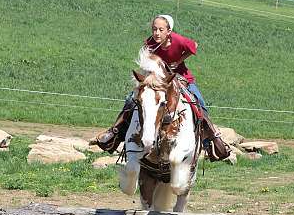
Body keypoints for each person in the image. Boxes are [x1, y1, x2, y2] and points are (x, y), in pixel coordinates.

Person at [94, 14, 231, 161]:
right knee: (131, 100)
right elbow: (147, 61)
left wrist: (179, 61)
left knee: (199, 103)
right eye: (154, 29)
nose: (157, 33)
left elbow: (194, 46)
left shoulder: (178, 40)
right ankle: (115, 133)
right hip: (159, 80)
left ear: (169, 30)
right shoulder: (150, 43)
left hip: (181, 77)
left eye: (161, 29)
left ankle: (210, 142)